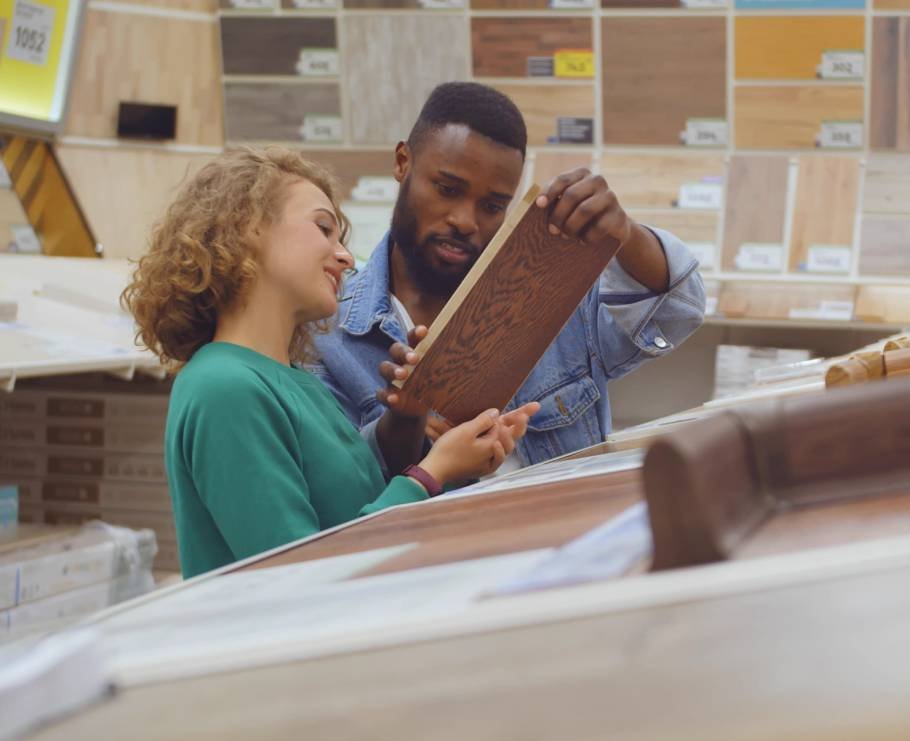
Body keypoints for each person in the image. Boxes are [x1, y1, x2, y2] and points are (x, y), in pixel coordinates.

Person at [123, 147, 537, 578]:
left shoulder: (297, 383)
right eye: (324, 228)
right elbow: (300, 576)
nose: (344, 257)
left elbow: (356, 517)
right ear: (247, 227)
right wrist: (430, 475)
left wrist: (462, 459)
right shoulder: (224, 388)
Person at [313, 82, 706, 470]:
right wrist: (407, 434)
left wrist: (626, 235)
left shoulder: (554, 298)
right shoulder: (329, 337)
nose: (465, 222)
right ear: (403, 163)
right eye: (447, 189)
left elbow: (677, 310)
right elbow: (342, 494)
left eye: (492, 205)